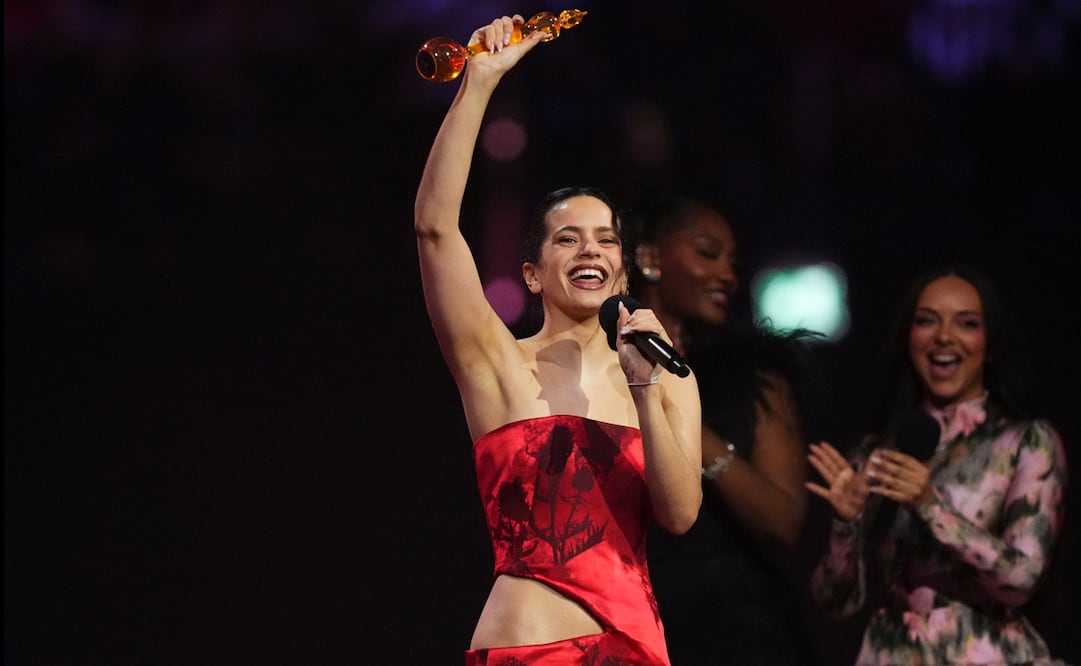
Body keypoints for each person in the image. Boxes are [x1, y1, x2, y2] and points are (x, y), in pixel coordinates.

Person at [413, 15, 704, 665]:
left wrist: (644, 385)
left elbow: (679, 514)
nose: (588, 249)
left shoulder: (663, 375)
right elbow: (434, 228)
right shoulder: (498, 365)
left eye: (604, 239)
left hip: (630, 648)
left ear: (623, 269)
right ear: (532, 273)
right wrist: (478, 86)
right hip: (527, 647)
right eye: (566, 238)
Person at [806, 264, 1069, 665]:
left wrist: (931, 505)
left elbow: (1021, 580)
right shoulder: (878, 453)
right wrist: (846, 522)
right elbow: (836, 603)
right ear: (908, 338)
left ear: (991, 344)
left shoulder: (1025, 441)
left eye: (966, 323)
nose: (944, 336)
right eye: (927, 321)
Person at [626, 192, 825, 664]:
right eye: (707, 253)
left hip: (741, 633)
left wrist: (688, 427)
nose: (727, 275)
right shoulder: (602, 371)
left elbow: (782, 522)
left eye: (732, 262)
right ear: (650, 258)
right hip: (636, 628)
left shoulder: (756, 377)